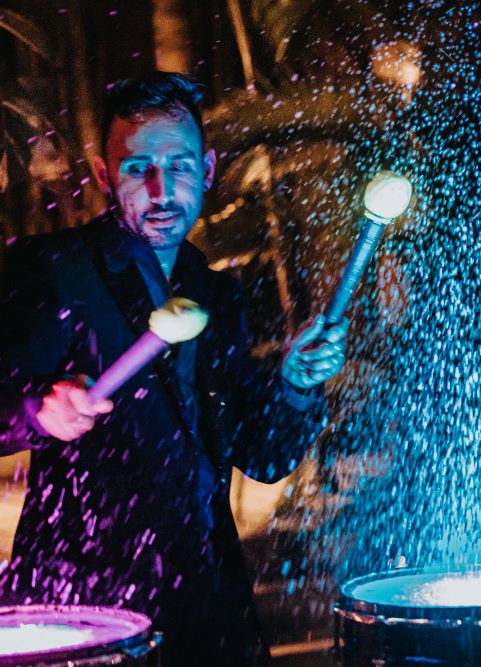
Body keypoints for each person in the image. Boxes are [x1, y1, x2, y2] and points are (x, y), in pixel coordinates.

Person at [0, 72, 346, 665]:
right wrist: (38, 411)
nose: (162, 190)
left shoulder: (217, 293)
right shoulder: (54, 269)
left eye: (180, 167)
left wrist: (295, 386)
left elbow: (263, 459)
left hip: (208, 608)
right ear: (107, 175)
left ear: (207, 169)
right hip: (86, 608)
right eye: (138, 169)